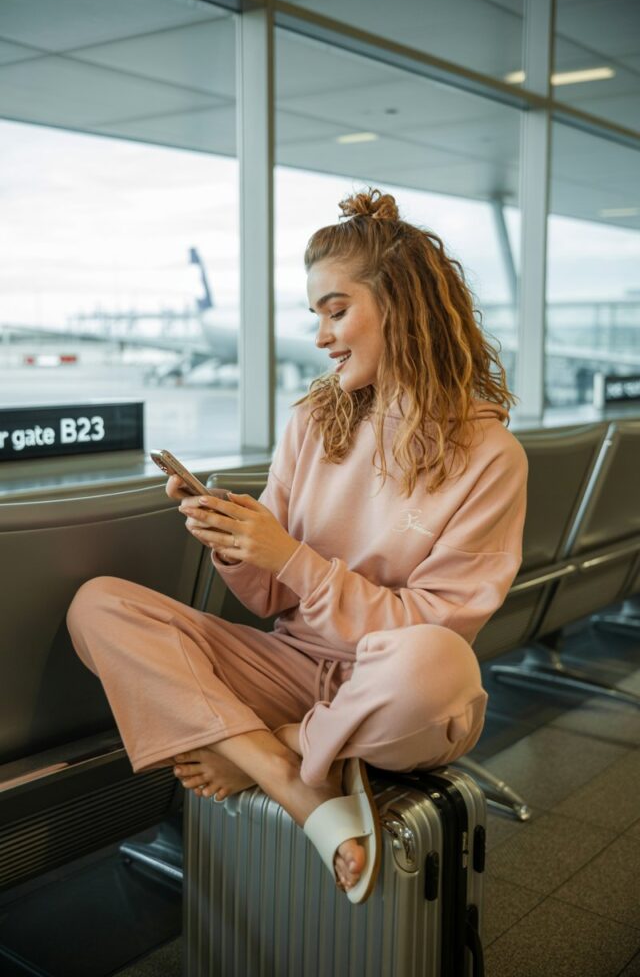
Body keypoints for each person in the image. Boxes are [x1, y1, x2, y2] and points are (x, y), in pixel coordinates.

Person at [67, 188, 527, 905]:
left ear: (401, 307)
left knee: (440, 665)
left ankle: (284, 743)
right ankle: (287, 774)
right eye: (316, 314)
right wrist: (238, 542)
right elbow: (273, 598)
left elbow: (438, 627)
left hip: (389, 692)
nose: (321, 336)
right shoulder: (314, 422)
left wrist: (292, 558)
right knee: (98, 607)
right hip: (287, 663)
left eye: (336, 311)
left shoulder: (490, 454)